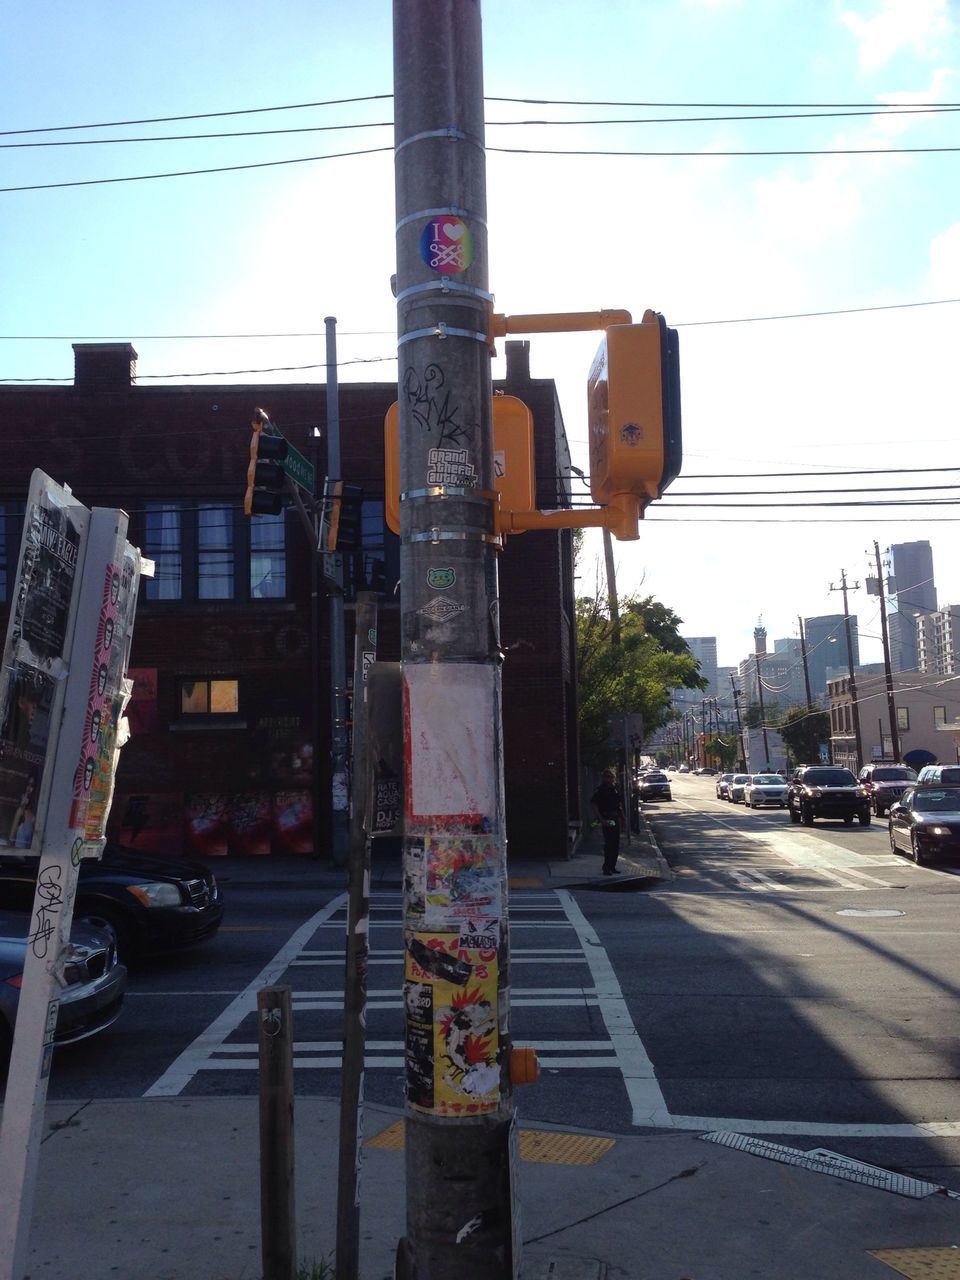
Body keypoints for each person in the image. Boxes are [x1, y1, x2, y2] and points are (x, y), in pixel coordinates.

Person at [590, 768, 626, 875]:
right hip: (607, 819)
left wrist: (623, 819)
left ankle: (612, 866)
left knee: (615, 843)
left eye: (611, 777)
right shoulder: (600, 790)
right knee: (609, 843)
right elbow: (594, 804)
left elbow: (619, 806)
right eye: (607, 777)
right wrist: (600, 819)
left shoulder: (614, 789)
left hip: (615, 818)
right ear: (603, 778)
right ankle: (606, 867)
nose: (609, 779)